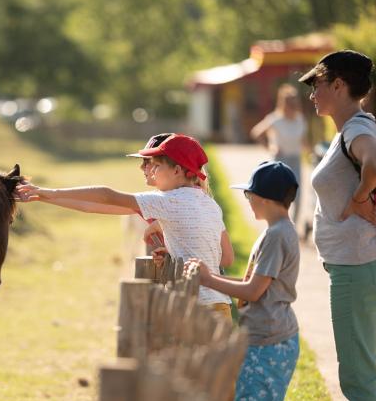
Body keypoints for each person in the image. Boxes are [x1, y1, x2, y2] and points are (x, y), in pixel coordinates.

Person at [17, 133, 234, 318]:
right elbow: (226, 258)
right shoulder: (209, 204)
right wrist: (42, 197)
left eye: (155, 165)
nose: (145, 168)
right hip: (220, 306)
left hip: (193, 309)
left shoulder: (170, 201)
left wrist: (49, 192)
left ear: (177, 170)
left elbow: (104, 196)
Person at [299, 49, 376, 401]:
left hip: (358, 266)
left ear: (338, 85)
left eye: (316, 83)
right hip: (355, 265)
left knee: (356, 371)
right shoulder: (349, 129)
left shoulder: (357, 127)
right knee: (360, 366)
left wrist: (357, 201)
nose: (312, 93)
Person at [186, 161, 300, 401]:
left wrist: (208, 280)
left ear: (261, 198)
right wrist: (218, 277)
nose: (247, 201)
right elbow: (258, 284)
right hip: (278, 338)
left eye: (248, 195)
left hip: (266, 342)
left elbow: (252, 291)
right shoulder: (281, 232)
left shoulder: (275, 237)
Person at [250, 84, 307, 223]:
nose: (292, 106)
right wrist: (270, 147)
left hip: (295, 159)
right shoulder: (275, 119)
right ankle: (278, 223)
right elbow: (256, 133)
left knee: (298, 195)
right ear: (283, 103)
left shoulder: (300, 119)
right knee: (278, 196)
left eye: (294, 102)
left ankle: (294, 225)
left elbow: (303, 141)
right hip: (280, 161)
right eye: (289, 103)